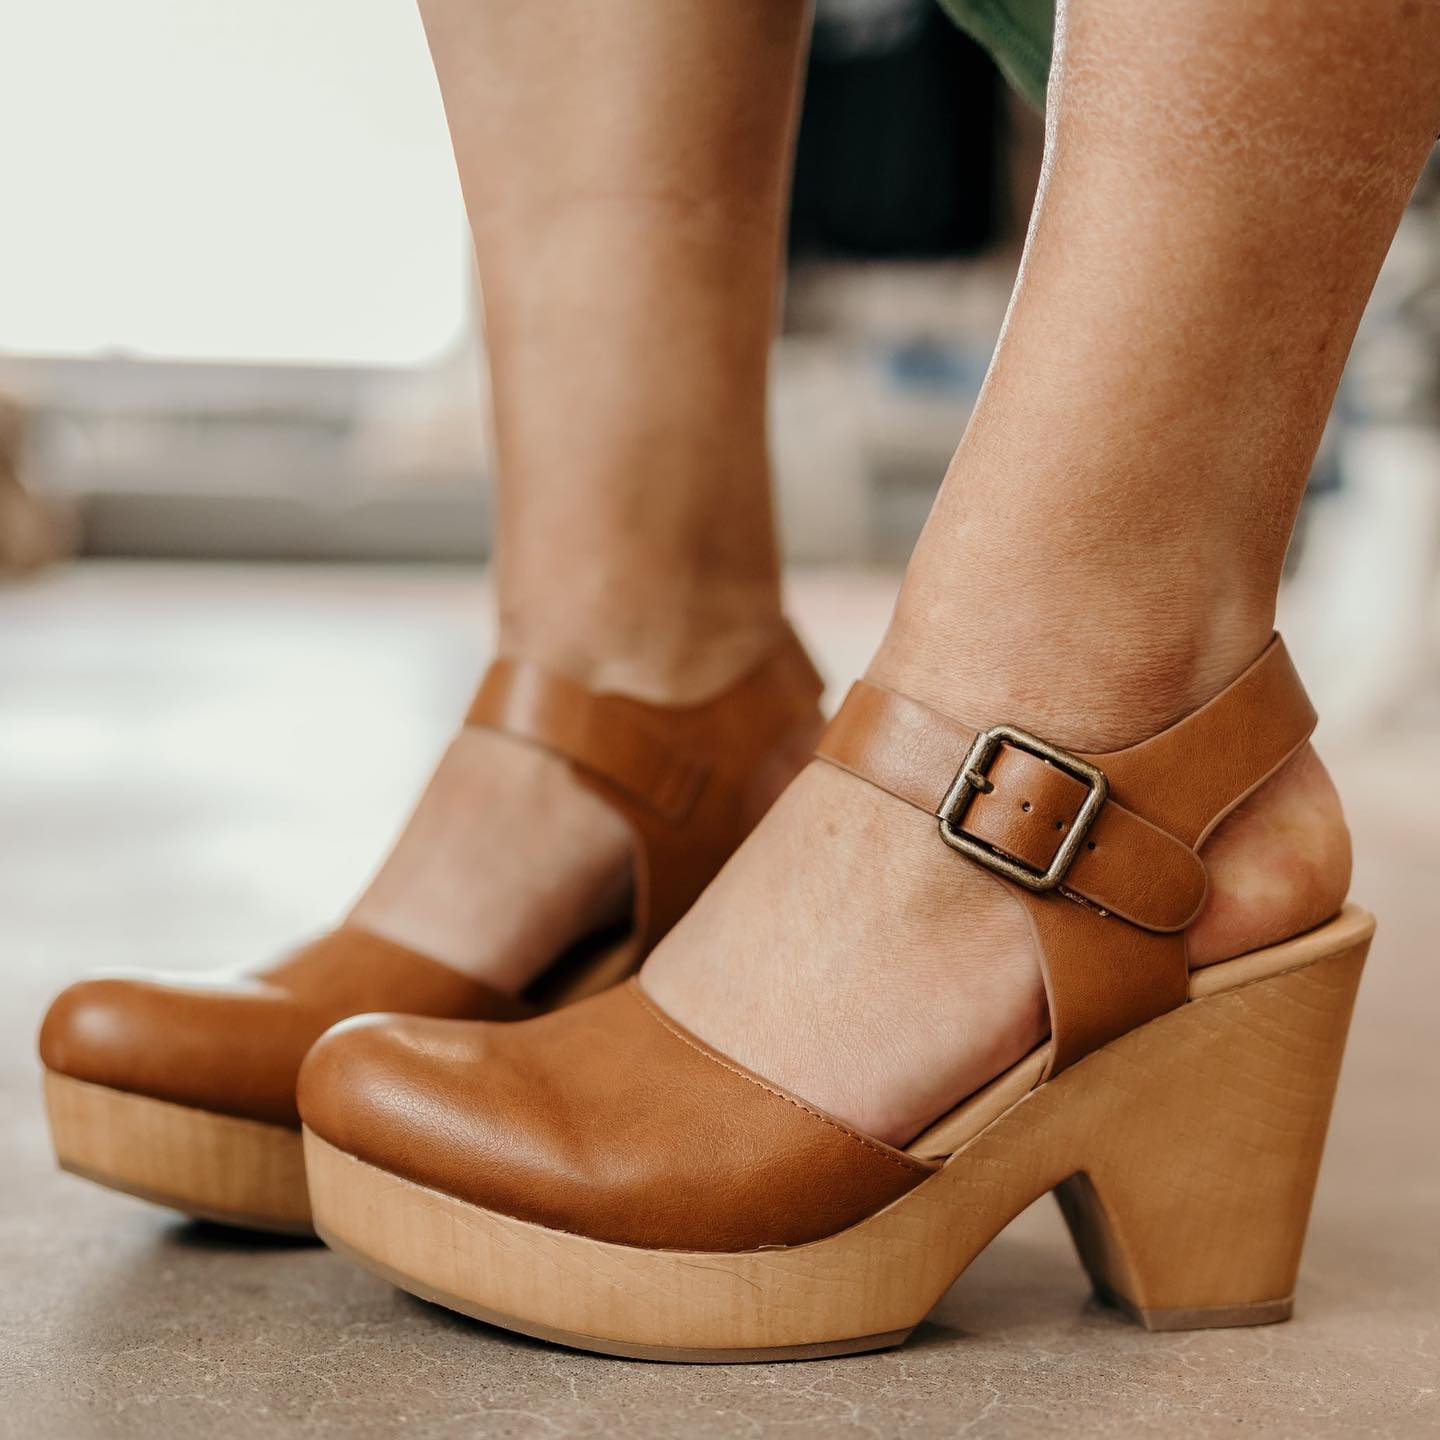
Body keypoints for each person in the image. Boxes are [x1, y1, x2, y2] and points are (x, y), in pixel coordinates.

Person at [40, 0, 1439, 1361]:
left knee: (1101, 642)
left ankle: (1106, 709)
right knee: (623, 622)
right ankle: (631, 660)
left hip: (1124, 816)